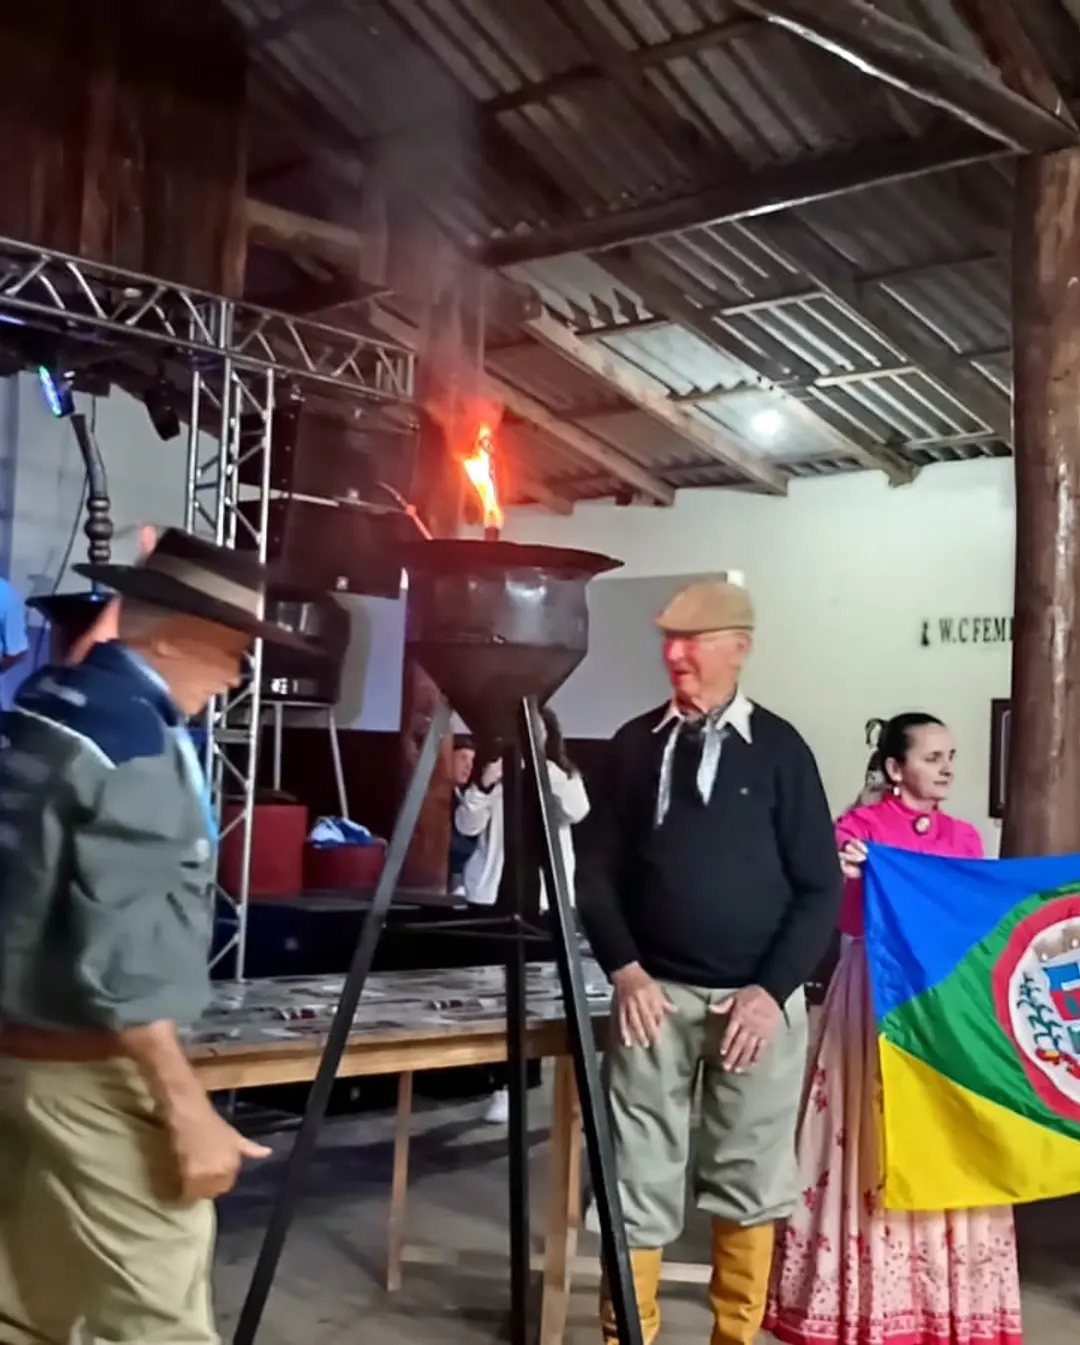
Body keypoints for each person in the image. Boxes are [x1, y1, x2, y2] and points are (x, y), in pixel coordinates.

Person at [0, 528, 315, 1345]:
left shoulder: (46, 701)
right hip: (91, 1071)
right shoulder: (133, 743)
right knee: (155, 1319)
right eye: (231, 651)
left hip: (18, 1058)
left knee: (30, 1309)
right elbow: (125, 952)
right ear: (170, 636)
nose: (237, 674)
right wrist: (186, 1108)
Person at [576, 578, 842, 1345]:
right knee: (635, 1178)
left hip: (755, 1006)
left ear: (740, 648)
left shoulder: (782, 750)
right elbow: (593, 872)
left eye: (694, 641)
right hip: (652, 998)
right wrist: (625, 969)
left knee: (750, 1179)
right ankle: (629, 1336)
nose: (677, 656)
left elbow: (820, 886)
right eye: (670, 641)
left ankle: (734, 1337)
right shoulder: (632, 745)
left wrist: (769, 991)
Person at [766, 712, 1022, 1345]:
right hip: (875, 993)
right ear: (894, 768)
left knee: (943, 1128)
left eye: (950, 756)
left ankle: (944, 1297)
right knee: (872, 1130)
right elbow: (838, 915)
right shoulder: (858, 831)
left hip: (943, 999)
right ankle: (865, 1299)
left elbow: (974, 920)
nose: (947, 769)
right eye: (933, 758)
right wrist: (845, 875)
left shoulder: (964, 838)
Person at [455, 707, 589, 1124]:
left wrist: (545, 767)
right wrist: (484, 784)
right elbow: (466, 825)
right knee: (492, 992)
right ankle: (497, 1080)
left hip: (543, 898)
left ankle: (523, 1082)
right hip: (495, 894)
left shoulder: (560, 774)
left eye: (536, 729)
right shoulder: (495, 771)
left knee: (537, 994)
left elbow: (578, 810)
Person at [449, 732, 478, 896]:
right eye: (463, 758)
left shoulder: (465, 796)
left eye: (472, 760)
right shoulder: (438, 797)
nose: (469, 766)